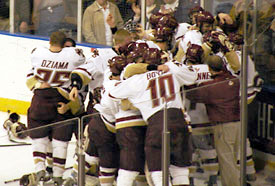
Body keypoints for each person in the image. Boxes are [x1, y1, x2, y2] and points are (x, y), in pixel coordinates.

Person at [109, 48, 197, 186]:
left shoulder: (138, 80)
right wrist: (171, 63)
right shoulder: (172, 71)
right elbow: (193, 77)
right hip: (180, 120)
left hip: (157, 124)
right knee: (180, 170)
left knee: (158, 171)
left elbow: (112, 94)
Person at [26, 31, 85, 186]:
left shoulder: (38, 53)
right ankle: (58, 176)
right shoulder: (73, 55)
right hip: (61, 98)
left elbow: (30, 75)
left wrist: (38, 84)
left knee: (39, 137)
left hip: (40, 99)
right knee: (61, 141)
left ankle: (40, 169)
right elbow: (81, 60)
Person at [186, 55, 241, 186]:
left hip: (223, 127)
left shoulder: (210, 87)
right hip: (238, 125)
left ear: (209, 69)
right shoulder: (235, 81)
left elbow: (191, 94)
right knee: (233, 160)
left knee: (227, 163)